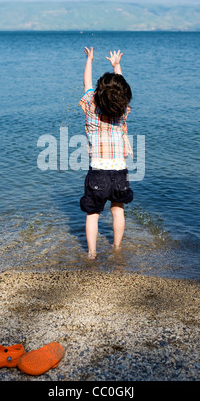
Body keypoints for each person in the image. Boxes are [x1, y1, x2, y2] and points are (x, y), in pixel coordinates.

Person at [79, 47, 133, 259]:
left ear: (98, 94)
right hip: (119, 170)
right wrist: (117, 66)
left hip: (98, 171)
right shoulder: (122, 111)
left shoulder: (92, 109)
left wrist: (89, 60)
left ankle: (92, 253)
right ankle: (117, 249)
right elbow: (120, 91)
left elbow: (86, 85)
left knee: (93, 214)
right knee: (117, 210)